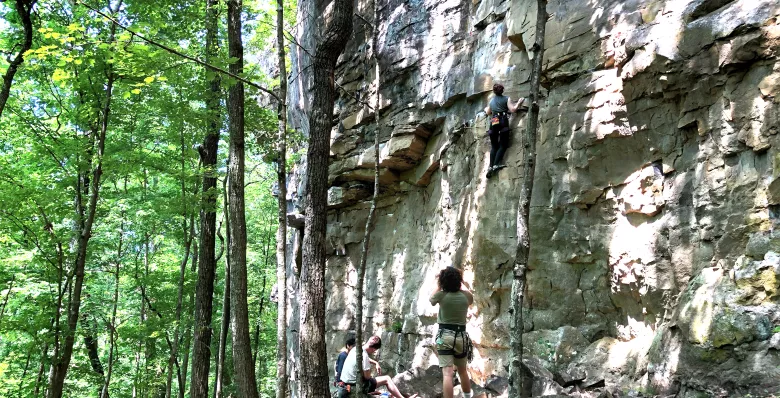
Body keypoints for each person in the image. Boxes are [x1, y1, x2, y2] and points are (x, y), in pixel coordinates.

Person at [430, 267, 474, 398]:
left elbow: (431, 300)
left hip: (444, 336)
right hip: (461, 336)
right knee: (462, 371)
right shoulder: (466, 297)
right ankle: (467, 396)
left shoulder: (442, 295)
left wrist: (440, 284)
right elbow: (469, 294)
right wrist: (460, 281)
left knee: (447, 374)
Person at [338, 335, 418, 398]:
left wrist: (375, 363)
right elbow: (367, 377)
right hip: (355, 386)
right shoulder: (364, 355)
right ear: (374, 350)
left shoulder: (355, 349)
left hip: (344, 384)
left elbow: (362, 358)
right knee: (386, 379)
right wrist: (369, 374)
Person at [483, 83, 525, 178]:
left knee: (494, 146)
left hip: (493, 121)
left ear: (494, 91)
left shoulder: (492, 101)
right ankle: (496, 164)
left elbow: (488, 112)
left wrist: (486, 109)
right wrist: (519, 102)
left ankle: (490, 167)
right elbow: (513, 109)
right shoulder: (506, 99)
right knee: (503, 144)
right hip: (502, 121)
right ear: (502, 90)